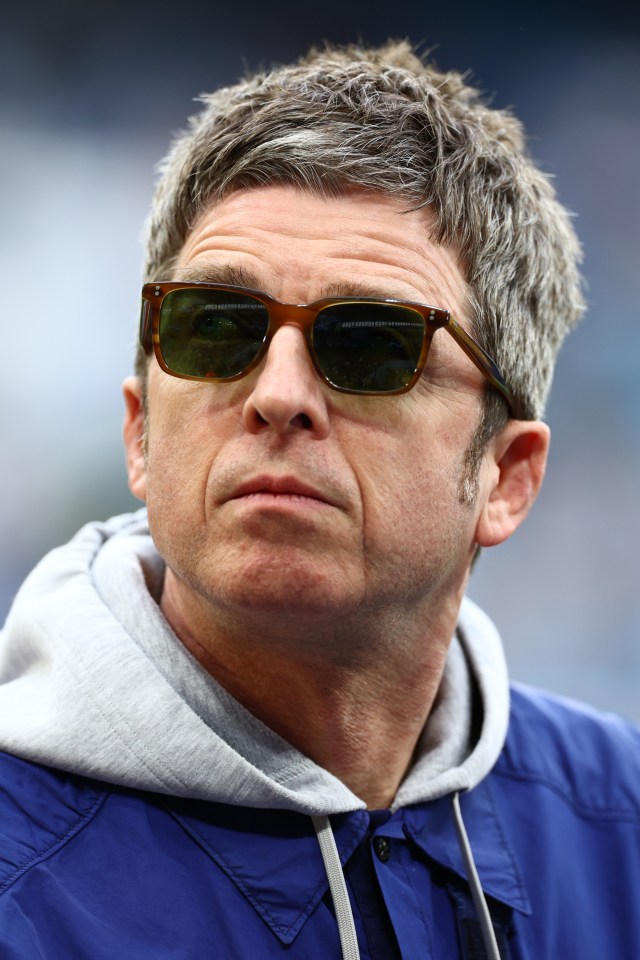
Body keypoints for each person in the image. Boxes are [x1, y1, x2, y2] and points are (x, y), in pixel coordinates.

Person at [0, 40, 638, 960]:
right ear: (140, 433)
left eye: (371, 346)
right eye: (215, 327)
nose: (279, 394)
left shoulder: (619, 829)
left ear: (505, 477)